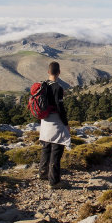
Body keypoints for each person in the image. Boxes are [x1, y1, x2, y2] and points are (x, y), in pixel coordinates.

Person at [38, 61, 71, 189]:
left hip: (45, 121)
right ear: (59, 73)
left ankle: (42, 173)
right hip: (55, 121)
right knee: (57, 150)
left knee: (46, 146)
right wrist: (66, 124)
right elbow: (60, 108)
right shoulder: (58, 88)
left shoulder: (43, 85)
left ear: (48, 72)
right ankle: (54, 181)